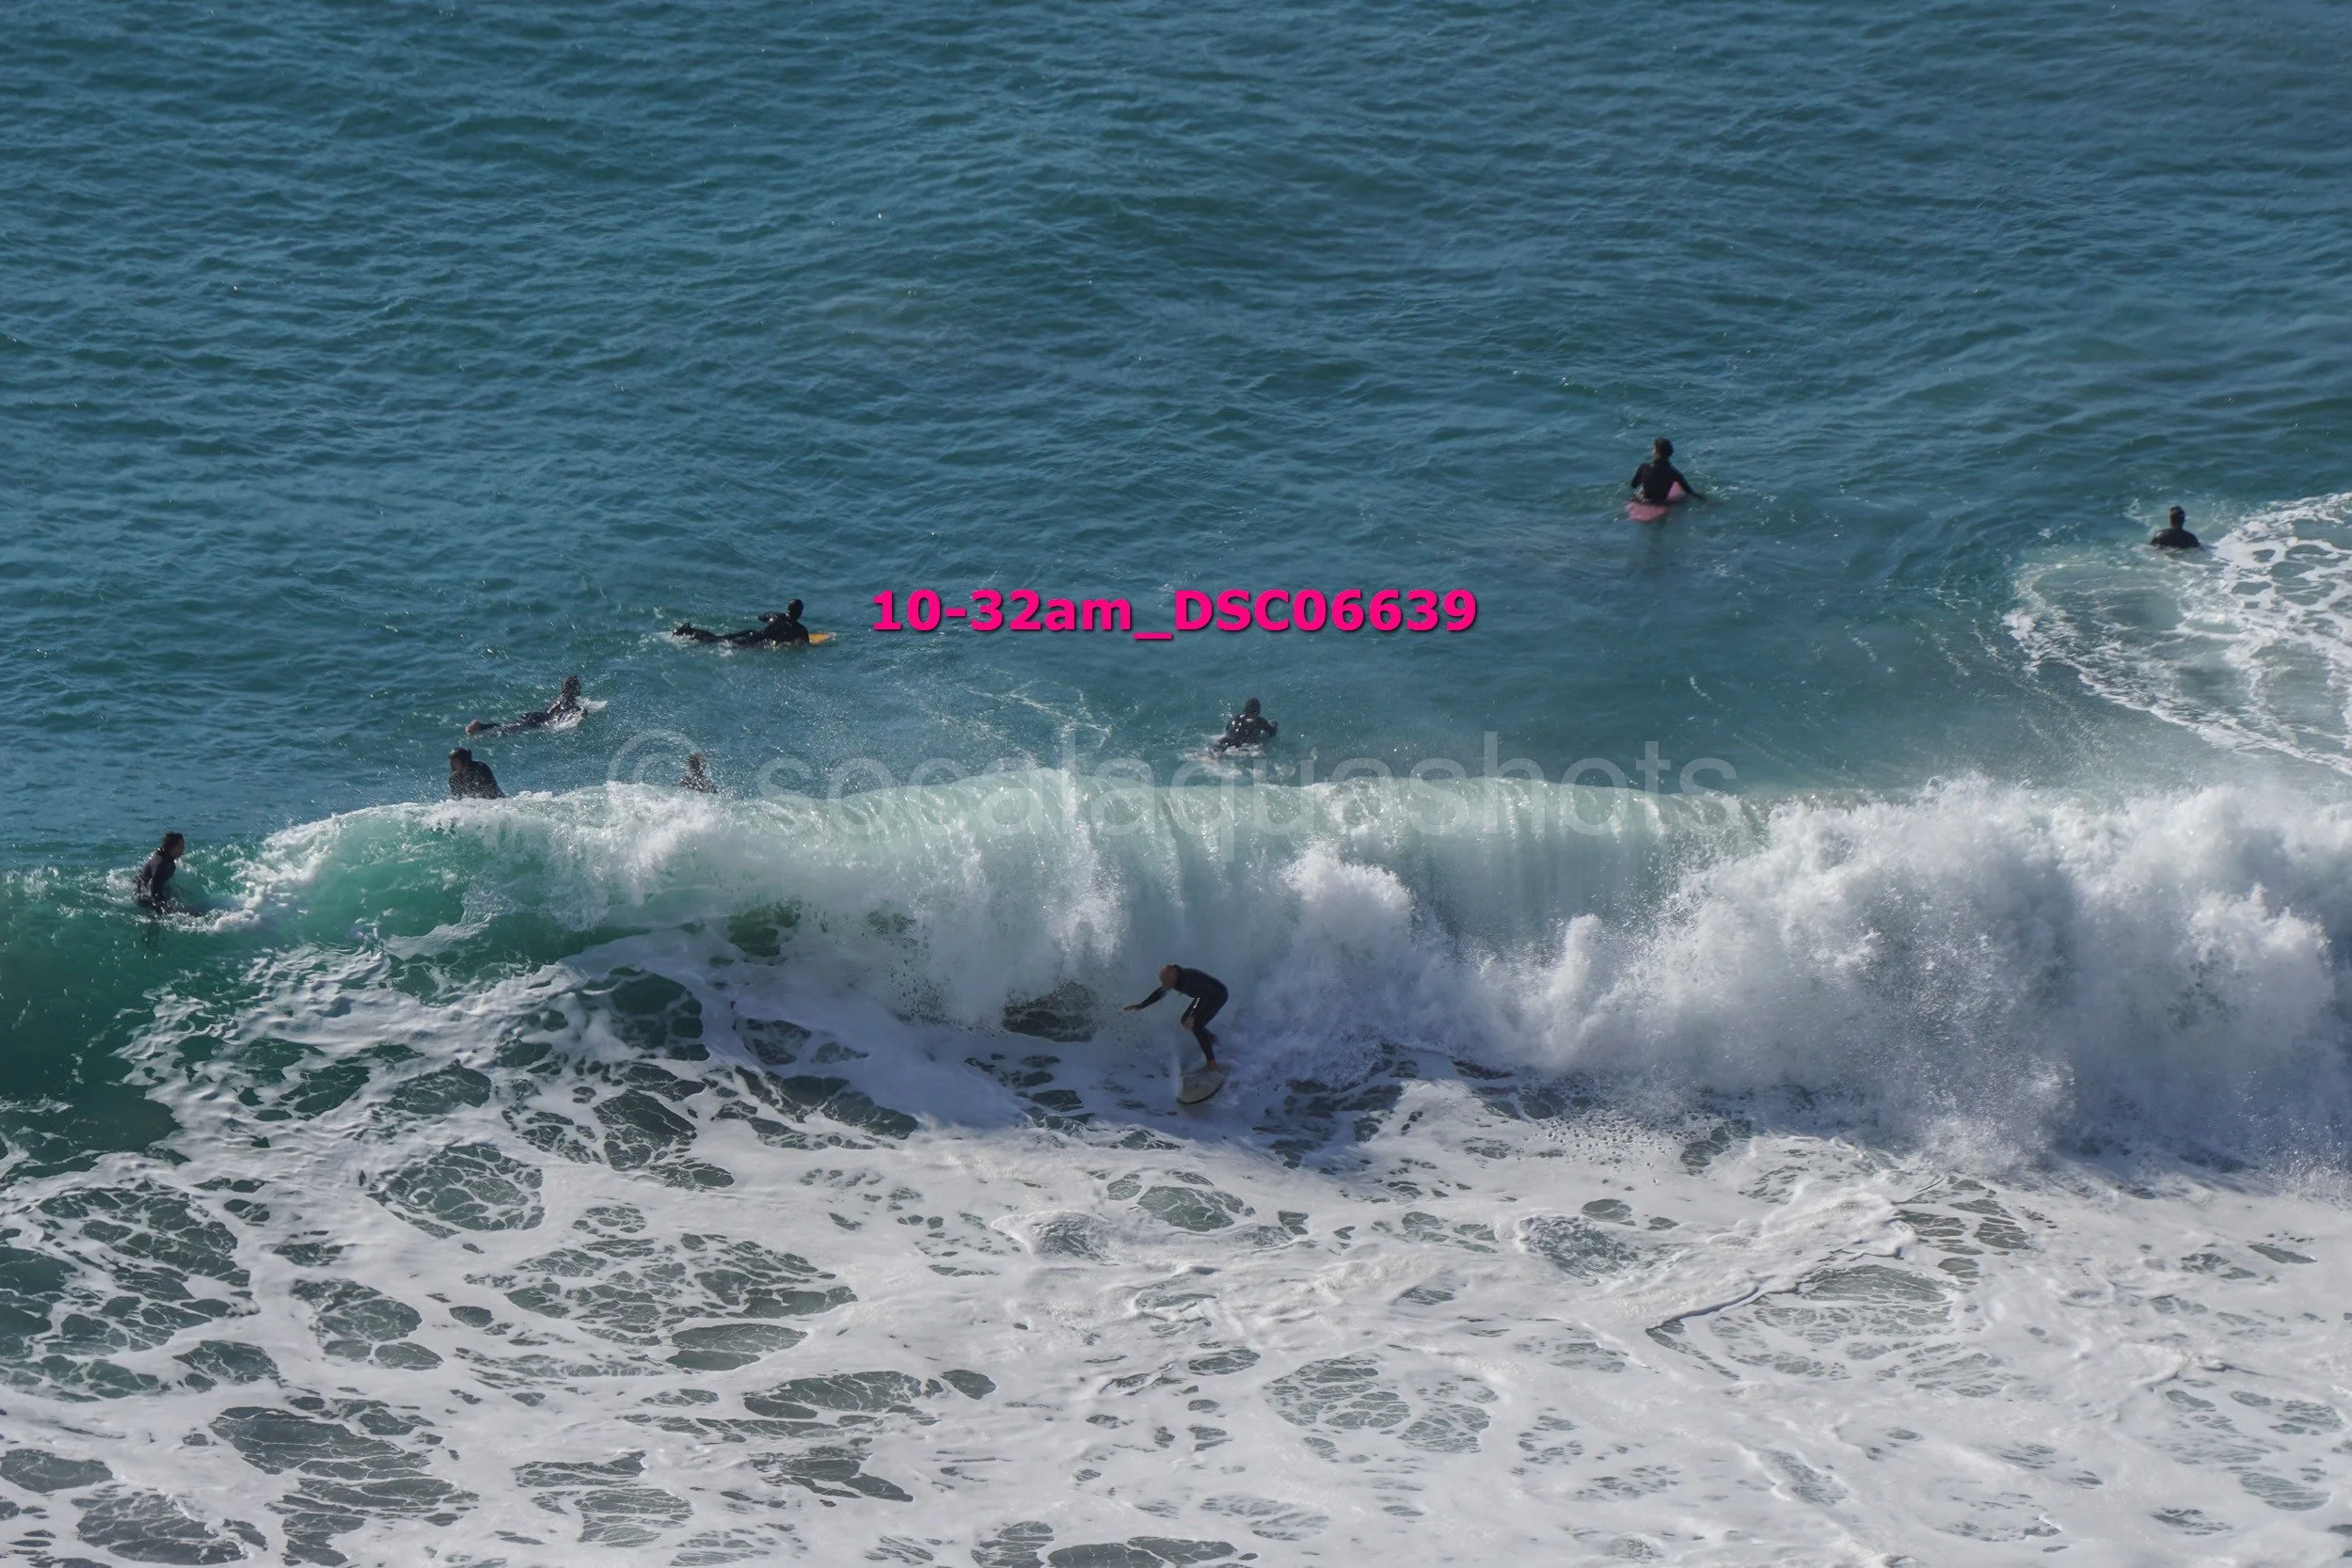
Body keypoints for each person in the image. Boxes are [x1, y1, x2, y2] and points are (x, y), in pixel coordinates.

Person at [1124, 964, 1229, 1066]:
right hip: (1205, 995)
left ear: (1174, 973)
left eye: (1166, 981)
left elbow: (1202, 996)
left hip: (1218, 995)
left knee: (1196, 1025)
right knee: (1185, 1020)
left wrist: (1192, 1016)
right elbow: (1160, 992)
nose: (1165, 985)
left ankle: (1212, 1063)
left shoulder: (1188, 979)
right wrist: (1142, 1005)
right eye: (1163, 982)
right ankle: (1213, 1041)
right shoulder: (1174, 978)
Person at [467, 674, 585, 736]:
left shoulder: (558, 698)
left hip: (536, 715)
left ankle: (482, 727)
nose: (580, 687)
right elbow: (565, 709)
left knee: (509, 726)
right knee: (510, 730)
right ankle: (484, 733)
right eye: (577, 685)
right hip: (540, 721)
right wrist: (580, 711)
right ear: (572, 688)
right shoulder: (568, 700)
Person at [675, 600, 810, 646]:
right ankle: (691, 633)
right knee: (719, 642)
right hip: (758, 642)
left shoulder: (776, 616)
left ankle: (690, 630)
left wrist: (772, 617)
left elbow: (761, 617)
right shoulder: (800, 629)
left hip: (753, 632)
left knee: (721, 638)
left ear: (788, 609)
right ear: (799, 613)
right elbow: (805, 644)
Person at [1630, 437, 1703, 505]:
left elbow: (1633, 485)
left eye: (1653, 449)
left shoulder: (1644, 467)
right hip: (1663, 504)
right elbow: (1689, 492)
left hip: (1643, 501)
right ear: (1670, 453)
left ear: (1656, 452)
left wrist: (1644, 477)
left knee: (1635, 494)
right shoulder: (1674, 473)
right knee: (1684, 497)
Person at [135, 832, 185, 912]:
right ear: (175, 848)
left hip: (150, 890)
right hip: (146, 901)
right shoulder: (161, 865)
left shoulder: (164, 855)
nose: (184, 848)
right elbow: (155, 894)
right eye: (182, 845)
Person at [1212, 698, 1277, 753]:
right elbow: (1272, 732)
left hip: (1229, 741)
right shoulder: (1259, 721)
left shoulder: (1235, 718)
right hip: (1246, 745)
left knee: (1222, 744)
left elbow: (1227, 730)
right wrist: (1273, 723)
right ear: (1258, 711)